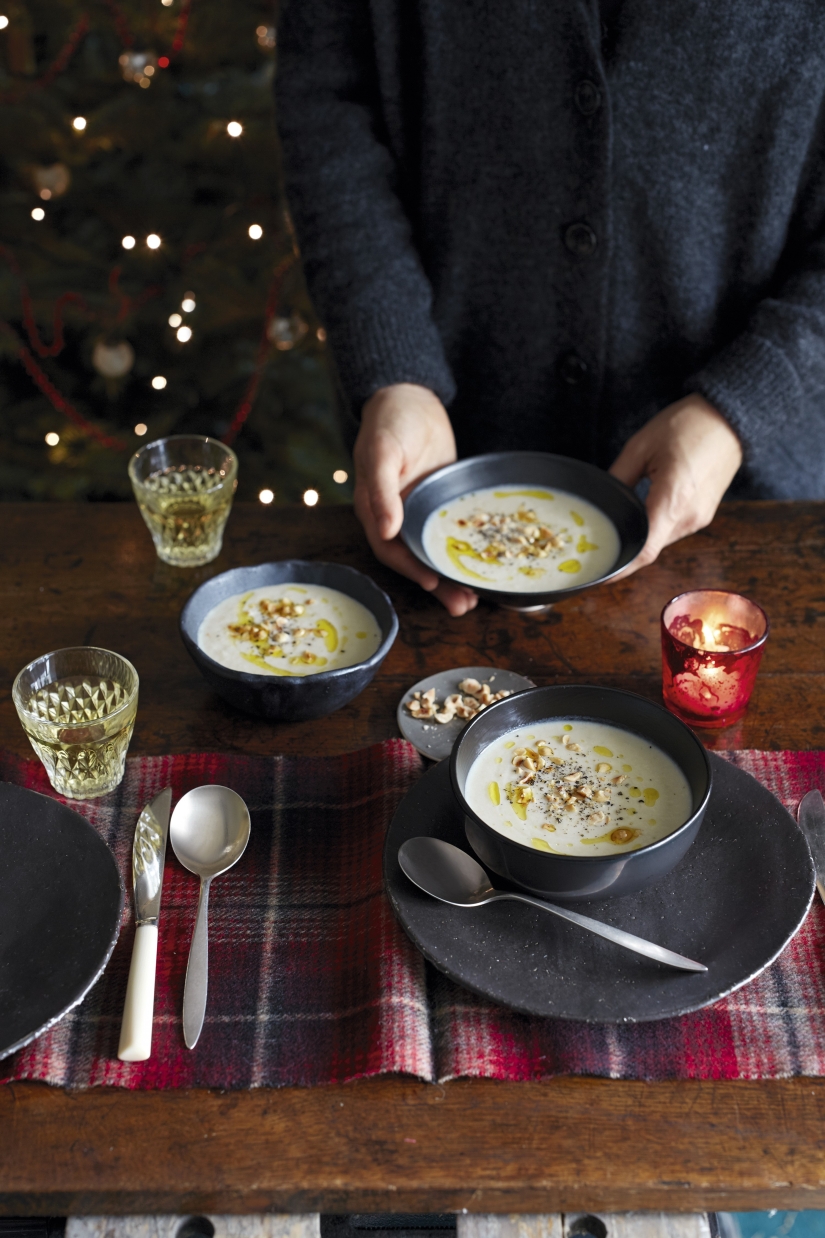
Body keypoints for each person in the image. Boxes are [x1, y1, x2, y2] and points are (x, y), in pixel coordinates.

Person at [275, 1, 825, 615]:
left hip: (756, 517)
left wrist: (748, 401)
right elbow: (328, 102)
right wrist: (393, 361)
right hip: (431, 479)